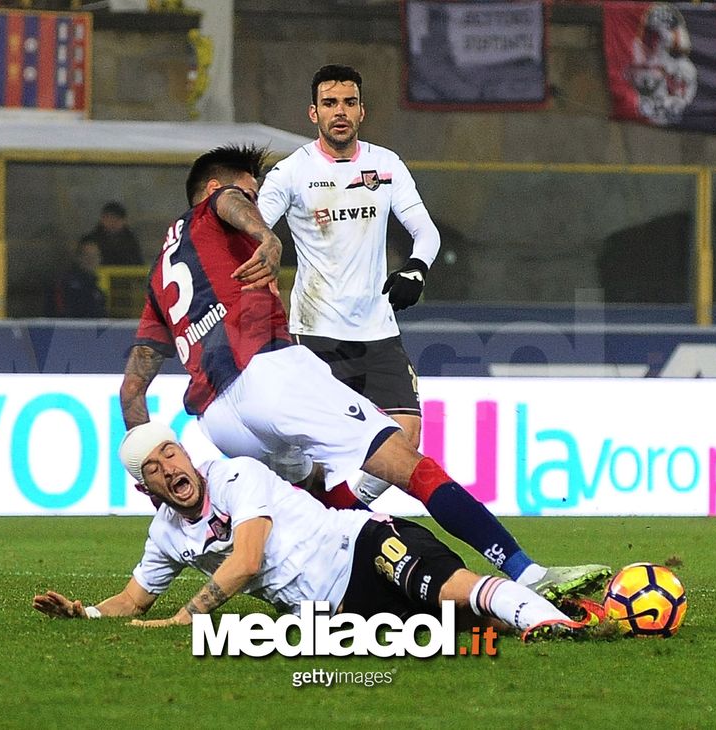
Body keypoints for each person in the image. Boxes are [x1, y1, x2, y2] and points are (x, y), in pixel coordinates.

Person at [119, 143, 608, 599]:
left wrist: (152, 481)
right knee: (407, 463)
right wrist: (266, 236)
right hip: (269, 373)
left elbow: (132, 392)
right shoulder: (217, 208)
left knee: (318, 496)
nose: (256, 204)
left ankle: (395, 586)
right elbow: (229, 200)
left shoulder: (159, 274)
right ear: (213, 190)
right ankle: (527, 574)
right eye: (251, 194)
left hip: (219, 420)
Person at [32, 421, 604, 642]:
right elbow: (134, 599)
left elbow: (246, 559)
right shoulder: (166, 534)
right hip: (342, 612)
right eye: (154, 469)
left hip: (363, 545)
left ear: (185, 452)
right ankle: (587, 618)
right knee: (473, 630)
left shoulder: (234, 476)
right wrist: (87, 614)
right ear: (145, 489)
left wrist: (188, 616)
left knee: (447, 587)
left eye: (170, 453)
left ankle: (551, 617)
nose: (169, 468)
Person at [256, 64, 439, 508]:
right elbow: (254, 228)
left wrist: (416, 268)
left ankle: (346, 511)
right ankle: (277, 515)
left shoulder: (385, 164)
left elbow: (425, 230)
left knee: (407, 437)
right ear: (313, 113)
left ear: (362, 111)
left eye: (349, 102)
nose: (340, 111)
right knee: (306, 449)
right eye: (330, 103)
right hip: (315, 332)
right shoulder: (291, 172)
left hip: (377, 330)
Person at [47, 239, 107, 318]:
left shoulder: (97, 290)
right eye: (87, 255)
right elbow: (61, 312)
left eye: (95, 256)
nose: (91, 260)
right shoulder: (65, 284)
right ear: (78, 258)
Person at [80, 200, 143, 266]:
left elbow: (138, 264)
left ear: (124, 221)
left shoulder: (131, 241)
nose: (112, 223)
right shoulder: (90, 240)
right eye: (109, 218)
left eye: (117, 219)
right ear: (102, 219)